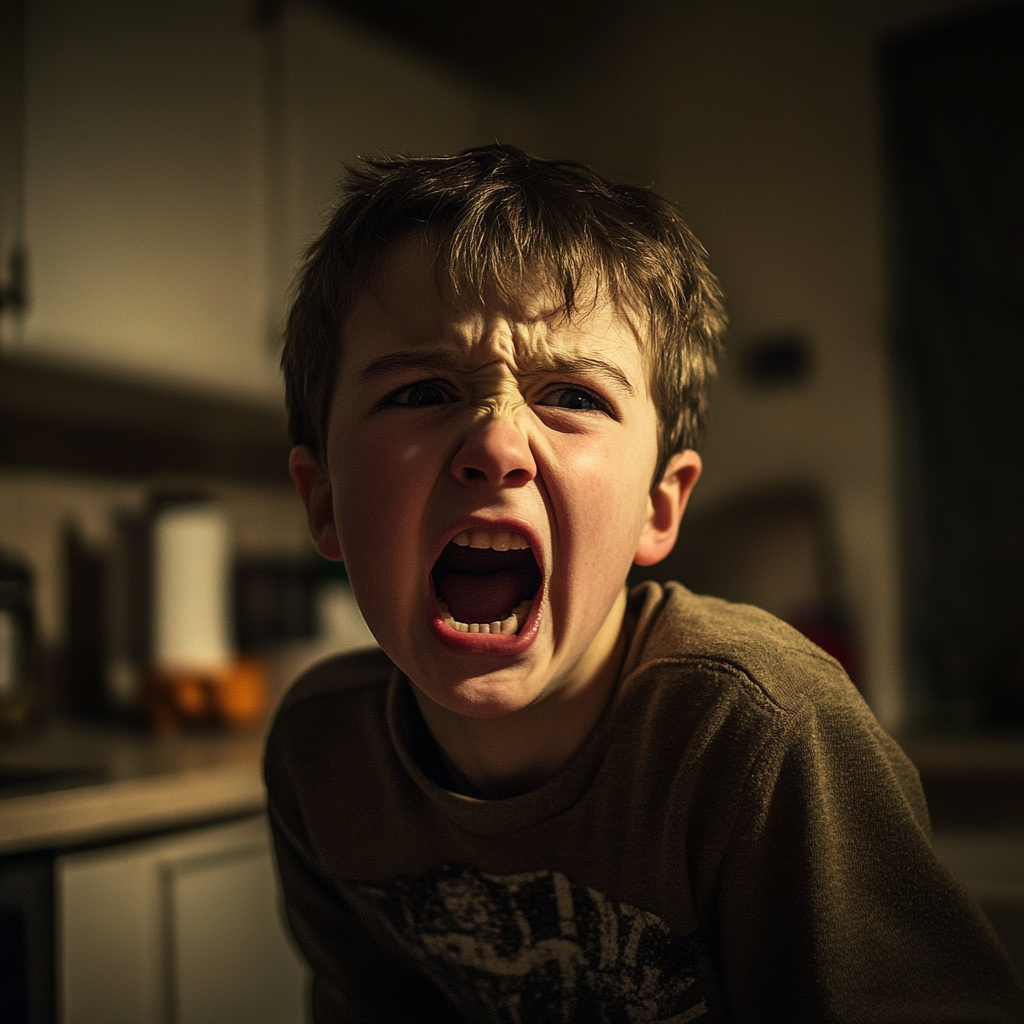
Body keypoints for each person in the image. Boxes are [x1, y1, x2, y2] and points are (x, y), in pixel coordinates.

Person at [264, 144, 1023, 1022]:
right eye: (423, 390)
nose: (497, 445)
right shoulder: (322, 762)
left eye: (574, 397)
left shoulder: (766, 740)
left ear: (659, 511)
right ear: (322, 501)